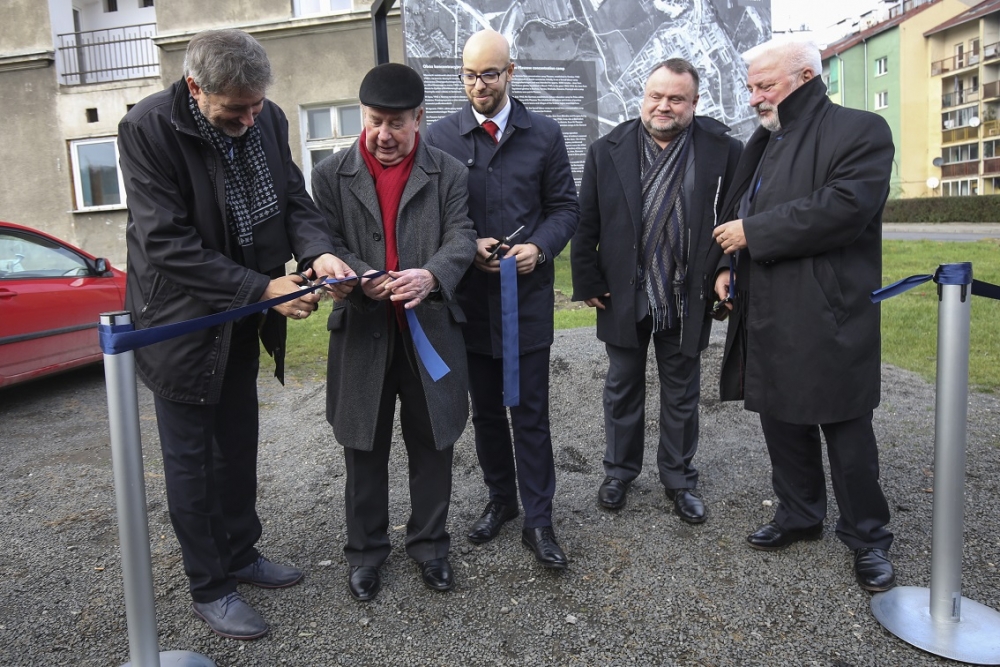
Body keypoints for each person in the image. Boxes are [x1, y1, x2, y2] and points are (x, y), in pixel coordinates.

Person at [119, 29, 354, 640]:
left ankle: (242, 553)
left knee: (238, 440)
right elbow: (167, 243)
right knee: (191, 461)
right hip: (179, 322)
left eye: (256, 106)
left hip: (239, 313)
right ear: (195, 88)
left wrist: (320, 252)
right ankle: (209, 585)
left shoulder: (267, 117)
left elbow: (294, 200)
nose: (251, 120)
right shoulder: (147, 129)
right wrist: (263, 291)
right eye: (235, 110)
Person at [711, 40, 896, 592]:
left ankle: (868, 537)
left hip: (827, 309)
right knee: (781, 416)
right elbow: (739, 208)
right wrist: (726, 262)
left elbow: (844, 208)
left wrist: (753, 235)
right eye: (750, 87)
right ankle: (799, 514)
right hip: (765, 304)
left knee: (844, 425)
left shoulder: (861, 130)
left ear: (806, 76)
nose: (753, 98)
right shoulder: (765, 139)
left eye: (764, 85)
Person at [311, 63, 477, 602]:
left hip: (429, 329)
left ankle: (431, 547)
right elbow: (325, 240)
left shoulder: (449, 171)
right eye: (374, 121)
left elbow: (462, 235)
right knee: (363, 447)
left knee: (433, 443)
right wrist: (361, 275)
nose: (384, 135)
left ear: (419, 118)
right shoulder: (330, 174)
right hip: (363, 330)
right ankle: (364, 554)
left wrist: (431, 275)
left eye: (396, 124)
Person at [424, 30, 579, 569]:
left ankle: (540, 520)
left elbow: (565, 208)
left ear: (510, 72)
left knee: (530, 413)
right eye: (468, 75)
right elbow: (436, 219)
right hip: (468, 303)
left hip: (526, 301)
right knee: (486, 412)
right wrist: (468, 250)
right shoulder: (441, 137)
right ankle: (502, 500)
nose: (478, 85)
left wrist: (539, 246)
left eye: (489, 74)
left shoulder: (545, 134)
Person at [571, 59, 741, 524]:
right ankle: (619, 473)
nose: (663, 106)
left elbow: (734, 217)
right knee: (621, 388)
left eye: (676, 98)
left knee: (682, 392)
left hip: (688, 292)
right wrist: (587, 279)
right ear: (642, 97)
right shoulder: (608, 149)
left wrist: (727, 266)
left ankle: (679, 478)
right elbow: (587, 221)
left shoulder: (723, 149)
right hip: (626, 292)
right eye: (655, 96)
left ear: (694, 102)